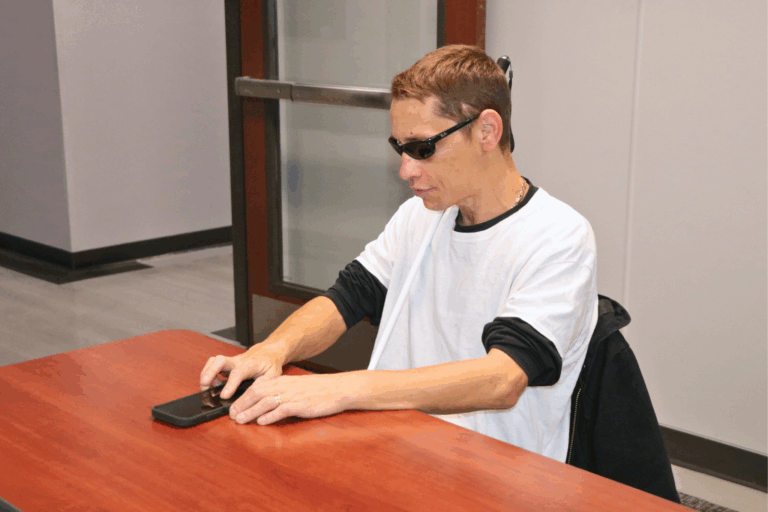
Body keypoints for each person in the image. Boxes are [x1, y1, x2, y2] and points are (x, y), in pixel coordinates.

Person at [200, 44, 598, 463]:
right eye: (400, 148)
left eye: (423, 148)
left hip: (492, 473)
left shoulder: (559, 237)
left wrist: (337, 389)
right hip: (391, 446)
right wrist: (272, 349)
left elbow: (501, 380)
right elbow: (345, 300)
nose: (406, 169)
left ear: (487, 131)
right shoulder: (418, 216)